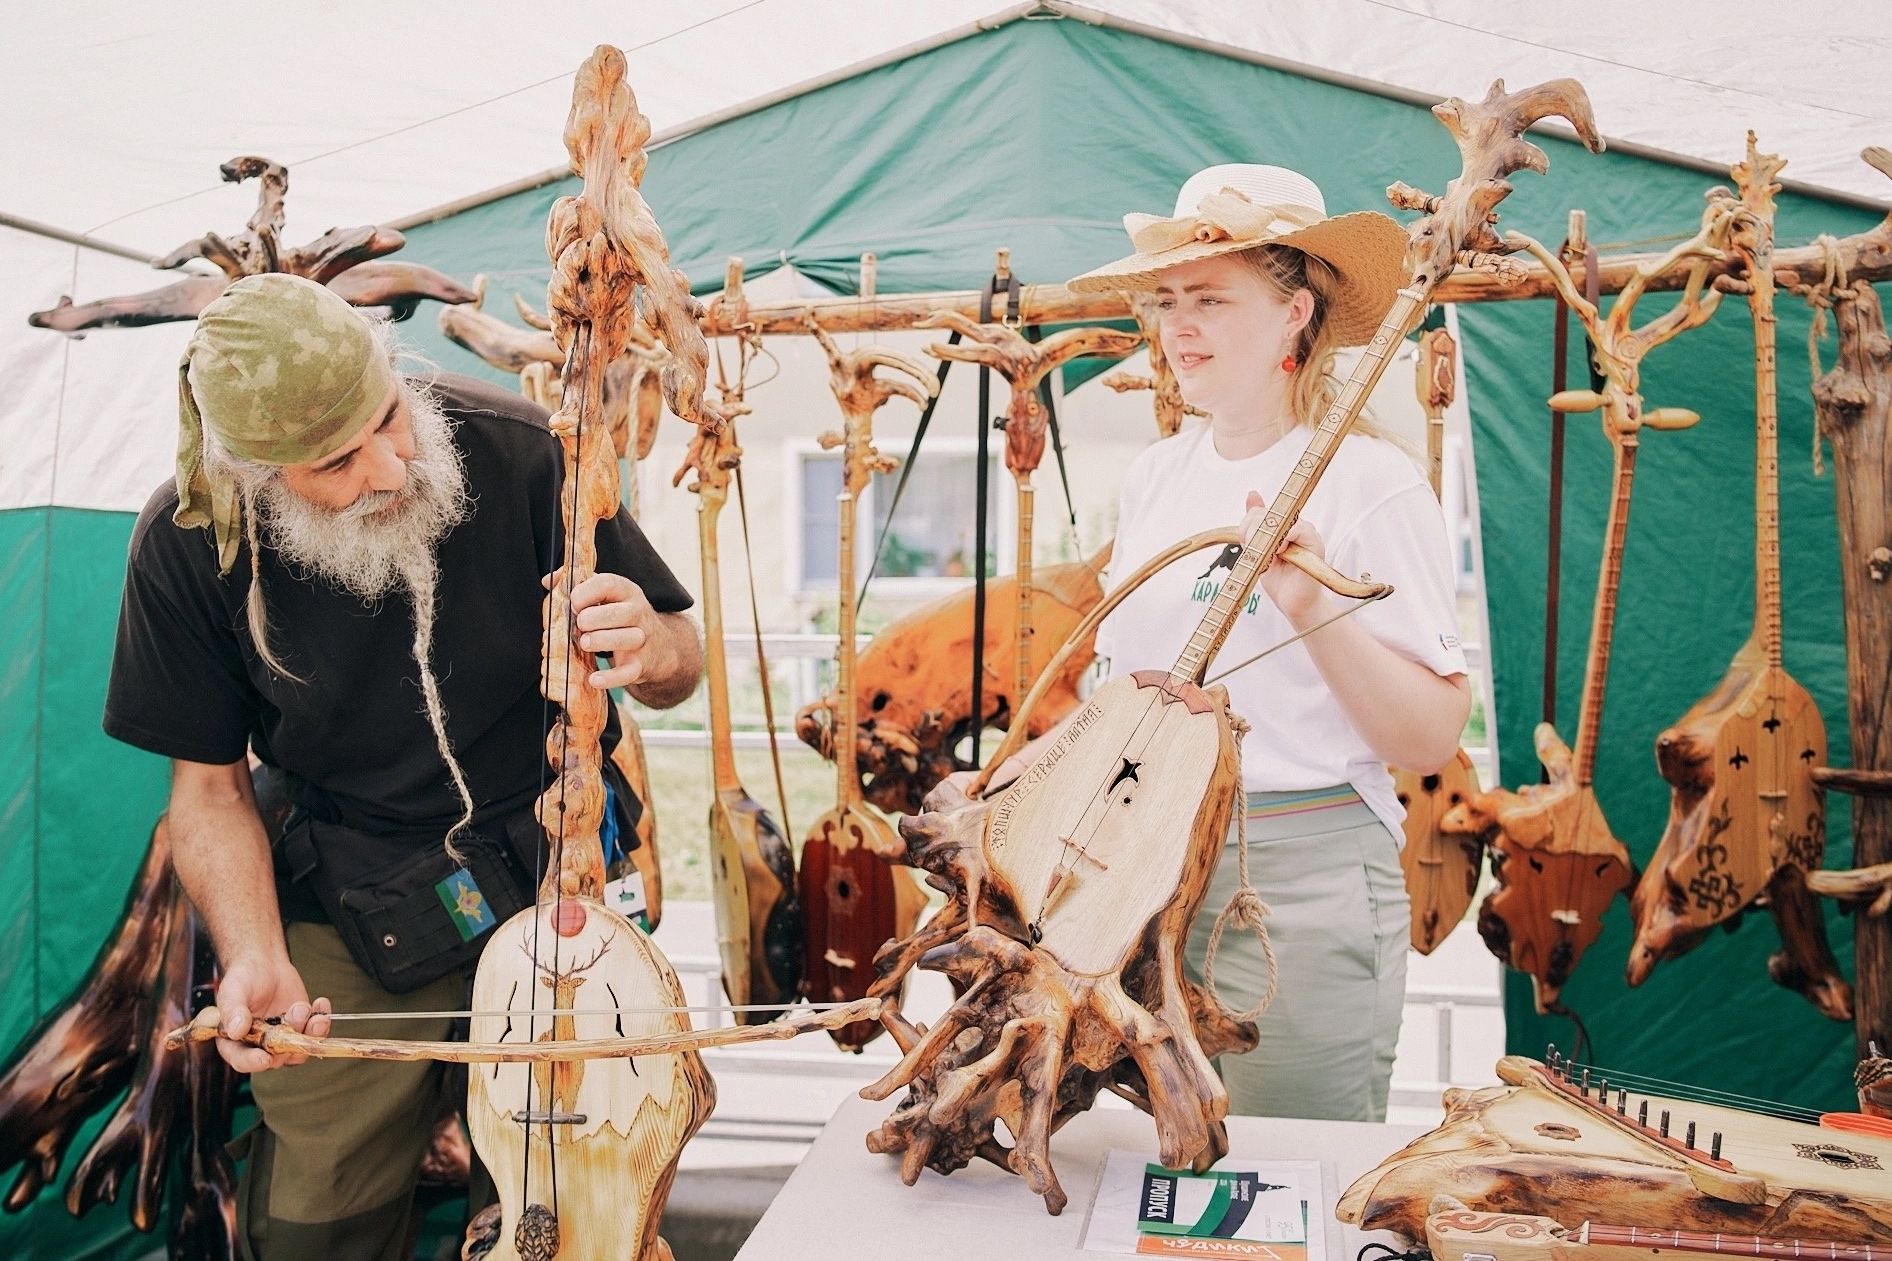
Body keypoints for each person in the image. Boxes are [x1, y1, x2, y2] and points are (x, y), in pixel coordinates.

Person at [102, 273, 703, 1259]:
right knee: (317, 1210)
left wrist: (649, 642)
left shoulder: (523, 452)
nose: (390, 467)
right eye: (337, 461)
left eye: (388, 416)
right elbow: (208, 789)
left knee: (580, 1193)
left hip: (555, 865)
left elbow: (680, 661)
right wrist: (254, 953)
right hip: (350, 886)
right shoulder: (187, 543)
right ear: (254, 472)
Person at [979, 164, 1469, 1121]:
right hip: (1133, 870)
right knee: (1163, 1172)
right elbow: (1128, 694)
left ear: (1295, 313)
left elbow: (1431, 737)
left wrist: (1309, 606)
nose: (1178, 326)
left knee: (1284, 1169)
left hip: (1292, 881)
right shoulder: (1158, 475)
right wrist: (1009, 783)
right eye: (1166, 301)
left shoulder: (1370, 481)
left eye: (1209, 298)